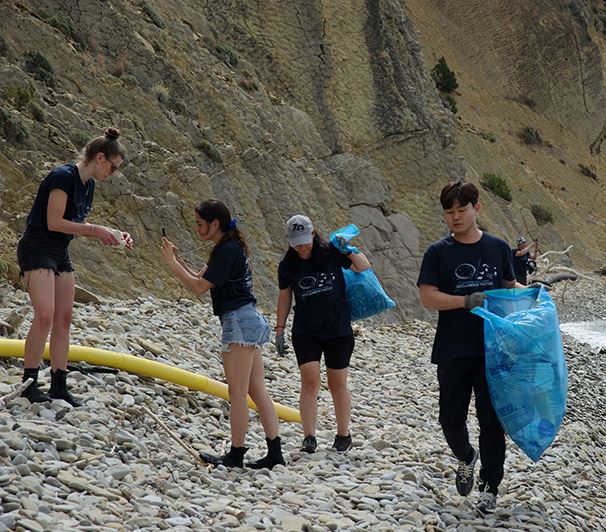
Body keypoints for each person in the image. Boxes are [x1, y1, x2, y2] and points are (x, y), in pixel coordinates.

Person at [417, 181, 524, 514]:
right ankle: (466, 457)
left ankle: (490, 487)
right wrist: (464, 300)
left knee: (491, 421)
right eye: (449, 212)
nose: (455, 217)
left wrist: (534, 297)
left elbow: (509, 287)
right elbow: (427, 296)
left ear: (477, 209)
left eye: (461, 210)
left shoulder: (497, 248)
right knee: (450, 418)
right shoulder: (438, 252)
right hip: (453, 348)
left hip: (494, 350)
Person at [159, 200, 284, 469]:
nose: (197, 228)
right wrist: (178, 260)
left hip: (239, 322)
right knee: (256, 390)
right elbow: (199, 277)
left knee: (237, 393)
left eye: (200, 224)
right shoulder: (228, 248)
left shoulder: (227, 251)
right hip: (249, 319)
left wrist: (171, 264)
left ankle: (236, 454)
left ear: (215, 224)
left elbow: (198, 288)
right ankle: (275, 452)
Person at [17, 128, 132, 407]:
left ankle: (59, 384)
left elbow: (76, 225)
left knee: (64, 319)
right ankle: (29, 382)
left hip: (59, 251)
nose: (112, 174)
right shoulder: (63, 177)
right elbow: (54, 221)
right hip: (37, 247)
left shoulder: (88, 185)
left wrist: (114, 234)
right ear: (100, 158)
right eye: (113, 168)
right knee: (44, 315)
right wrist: (96, 230)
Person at [274, 214, 370, 454]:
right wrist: (279, 329)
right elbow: (285, 296)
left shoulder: (330, 253)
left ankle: (343, 434)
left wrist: (347, 249)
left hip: (338, 328)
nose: (302, 246)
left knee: (337, 384)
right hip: (306, 329)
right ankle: (309, 437)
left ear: (313, 233)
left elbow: (363, 266)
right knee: (309, 382)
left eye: (305, 240)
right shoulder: (287, 265)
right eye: (296, 242)